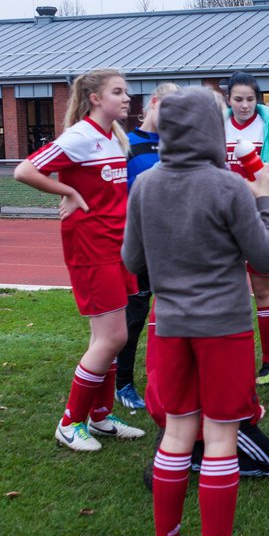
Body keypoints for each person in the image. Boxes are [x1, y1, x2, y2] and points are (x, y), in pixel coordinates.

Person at [123, 86, 269, 536]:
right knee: (218, 440)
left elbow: (131, 262)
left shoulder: (146, 184)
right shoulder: (229, 188)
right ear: (212, 128)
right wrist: (265, 201)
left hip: (170, 327)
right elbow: (263, 256)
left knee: (175, 435)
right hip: (224, 330)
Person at [13, 68, 146, 452]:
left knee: (108, 335)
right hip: (91, 247)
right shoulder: (80, 136)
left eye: (126, 92)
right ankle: (70, 423)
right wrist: (67, 190)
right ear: (95, 98)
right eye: (118, 92)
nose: (126, 98)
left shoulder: (112, 136)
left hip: (116, 245)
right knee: (112, 337)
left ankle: (100, 417)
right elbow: (25, 170)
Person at [222, 71, 269, 385]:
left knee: (263, 290)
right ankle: (230, 356)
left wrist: (257, 187)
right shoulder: (215, 124)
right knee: (225, 288)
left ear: (258, 99)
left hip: (262, 216)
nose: (244, 105)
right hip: (222, 218)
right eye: (238, 99)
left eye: (250, 99)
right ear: (229, 99)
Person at [114, 82, 181, 412]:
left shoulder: (176, 146)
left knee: (170, 315)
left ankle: (169, 380)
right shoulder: (126, 144)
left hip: (172, 247)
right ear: (153, 103)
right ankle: (122, 382)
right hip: (138, 246)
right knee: (133, 317)